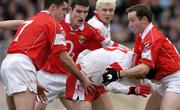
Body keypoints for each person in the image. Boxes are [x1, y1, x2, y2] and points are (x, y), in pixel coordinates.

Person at [0, 0, 96, 110]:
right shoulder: (53, 23)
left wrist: (34, 80)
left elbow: (21, 25)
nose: (65, 14)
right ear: (53, 7)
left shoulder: (34, 19)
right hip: (22, 66)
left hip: (8, 63)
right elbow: (65, 59)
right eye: (64, 10)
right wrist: (83, 79)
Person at [102, 4, 180, 110]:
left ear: (144, 19)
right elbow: (135, 61)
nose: (129, 25)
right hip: (164, 81)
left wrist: (118, 74)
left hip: (176, 79)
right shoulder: (140, 36)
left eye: (132, 20)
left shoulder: (152, 37)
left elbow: (144, 68)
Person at [66, 47, 151, 110]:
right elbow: (109, 84)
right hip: (82, 79)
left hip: (97, 81)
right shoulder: (124, 62)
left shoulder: (131, 59)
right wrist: (132, 90)